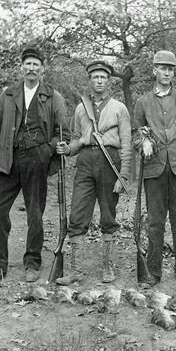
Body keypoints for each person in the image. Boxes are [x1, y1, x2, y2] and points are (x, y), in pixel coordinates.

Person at [0, 47, 70, 282]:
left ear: (42, 69)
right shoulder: (8, 95)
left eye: (36, 65)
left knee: (35, 214)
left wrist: (48, 151)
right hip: (8, 159)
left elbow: (63, 133)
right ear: (21, 67)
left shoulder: (53, 96)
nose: (31, 68)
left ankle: (32, 263)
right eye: (28, 64)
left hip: (37, 160)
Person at [56, 60, 132, 283]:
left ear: (109, 81)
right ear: (90, 81)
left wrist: (123, 175)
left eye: (103, 77)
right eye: (95, 77)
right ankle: (74, 270)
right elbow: (77, 139)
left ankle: (107, 267)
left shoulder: (120, 108)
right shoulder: (81, 108)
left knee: (108, 214)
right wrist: (67, 149)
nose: (99, 81)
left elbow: (126, 143)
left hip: (111, 161)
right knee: (78, 213)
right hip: (86, 162)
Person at [133, 50, 176, 288]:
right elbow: (136, 134)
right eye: (163, 68)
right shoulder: (143, 102)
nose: (167, 73)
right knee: (155, 222)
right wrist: (145, 144)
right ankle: (153, 272)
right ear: (154, 70)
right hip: (154, 169)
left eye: (171, 69)